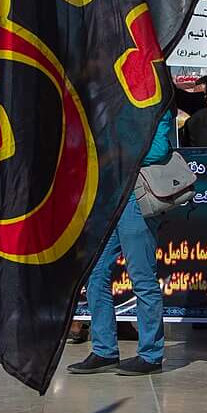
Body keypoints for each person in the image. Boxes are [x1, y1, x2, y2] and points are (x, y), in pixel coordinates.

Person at [73, 108, 173, 377]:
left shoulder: (157, 107)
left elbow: (159, 149)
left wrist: (117, 152)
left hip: (136, 199)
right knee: (95, 273)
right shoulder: (113, 103)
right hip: (110, 199)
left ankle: (151, 354)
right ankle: (104, 350)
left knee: (141, 277)